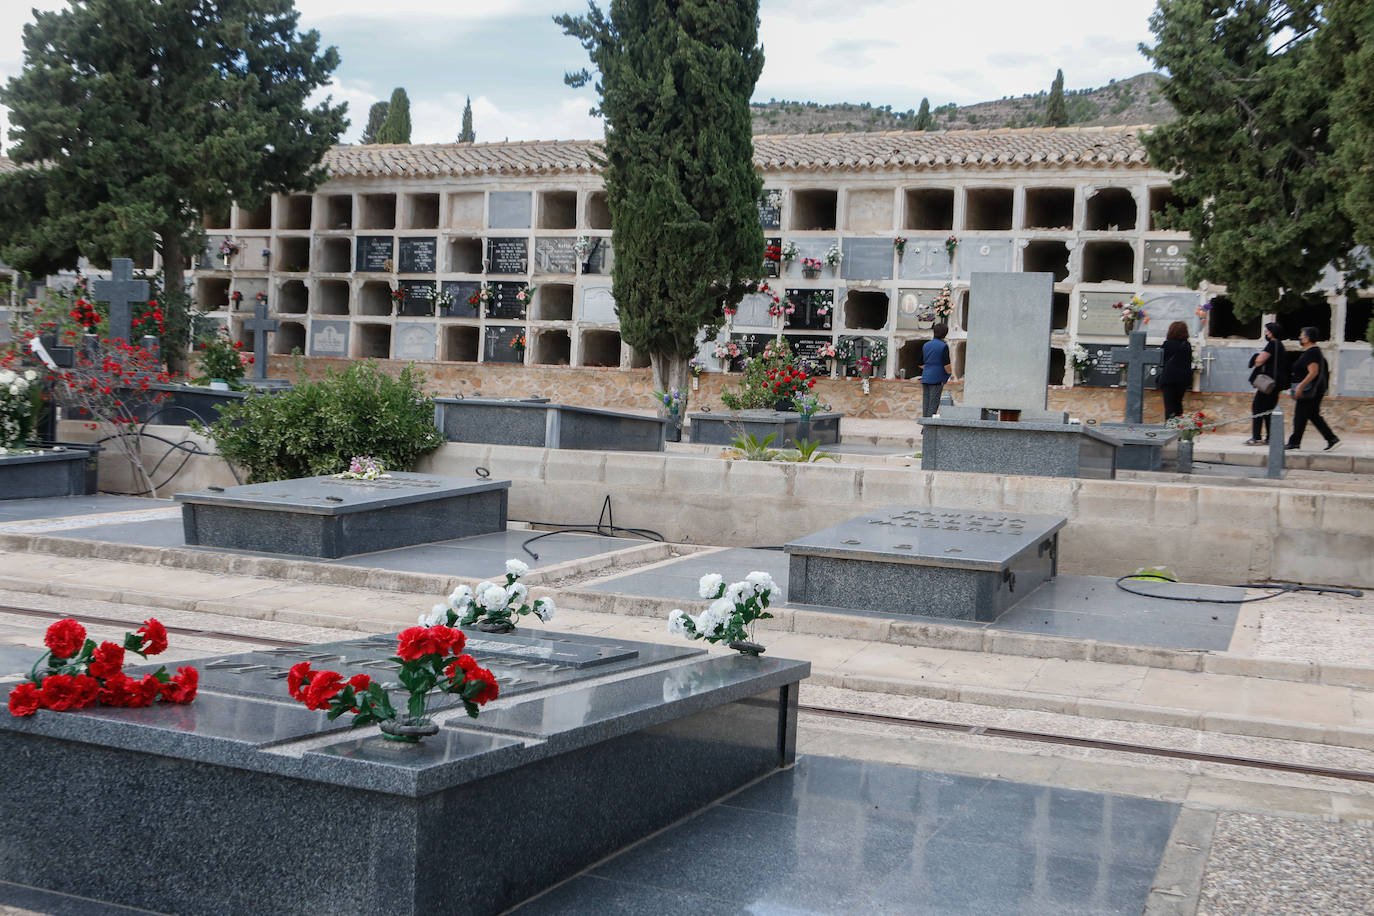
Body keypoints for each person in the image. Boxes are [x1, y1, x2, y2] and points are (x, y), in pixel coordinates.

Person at [1286, 326, 1339, 451]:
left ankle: (1294, 442)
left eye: (1302, 336)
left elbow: (1313, 372)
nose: (1300, 338)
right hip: (1315, 390)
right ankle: (1331, 438)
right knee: (1312, 415)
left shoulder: (1312, 353)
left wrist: (1300, 386)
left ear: (1307, 338)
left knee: (1300, 416)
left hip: (1310, 390)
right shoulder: (1312, 352)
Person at [1244, 322, 1288, 445]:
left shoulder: (1272, 344)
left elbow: (1260, 360)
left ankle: (1256, 437)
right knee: (1268, 410)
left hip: (1268, 384)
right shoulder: (1280, 345)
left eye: (1267, 331)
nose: (1265, 333)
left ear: (1272, 333)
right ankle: (1270, 437)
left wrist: (1256, 357)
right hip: (1276, 384)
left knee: (1257, 408)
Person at [1158, 321, 1192, 420]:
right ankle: (1178, 429)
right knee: (1178, 405)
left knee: (1169, 407)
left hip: (1169, 379)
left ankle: (1169, 429)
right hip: (1183, 379)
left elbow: (1161, 360)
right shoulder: (1187, 345)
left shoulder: (1167, 344)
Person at [918, 323, 953, 418]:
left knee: (926, 403)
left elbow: (920, 364)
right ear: (945, 333)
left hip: (926, 377)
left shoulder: (926, 345)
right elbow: (947, 365)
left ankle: (925, 426)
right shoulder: (943, 346)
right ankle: (928, 428)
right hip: (937, 378)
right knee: (933, 404)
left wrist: (929, 368)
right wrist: (950, 373)